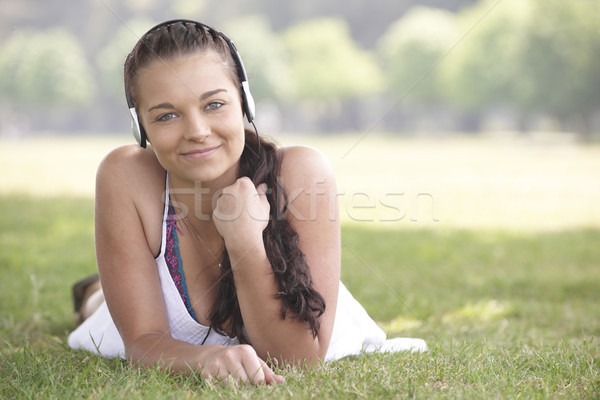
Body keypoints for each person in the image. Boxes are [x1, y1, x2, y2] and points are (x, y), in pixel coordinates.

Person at [68, 19, 426, 385]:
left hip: (293, 304)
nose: (197, 131)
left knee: (109, 303)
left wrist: (246, 242)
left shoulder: (301, 173)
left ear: (245, 102)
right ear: (139, 127)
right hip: (144, 308)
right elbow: (143, 340)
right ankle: (95, 291)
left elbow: (297, 360)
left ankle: (100, 287)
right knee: (100, 312)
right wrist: (207, 358)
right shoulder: (125, 174)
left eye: (214, 104)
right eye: (167, 115)